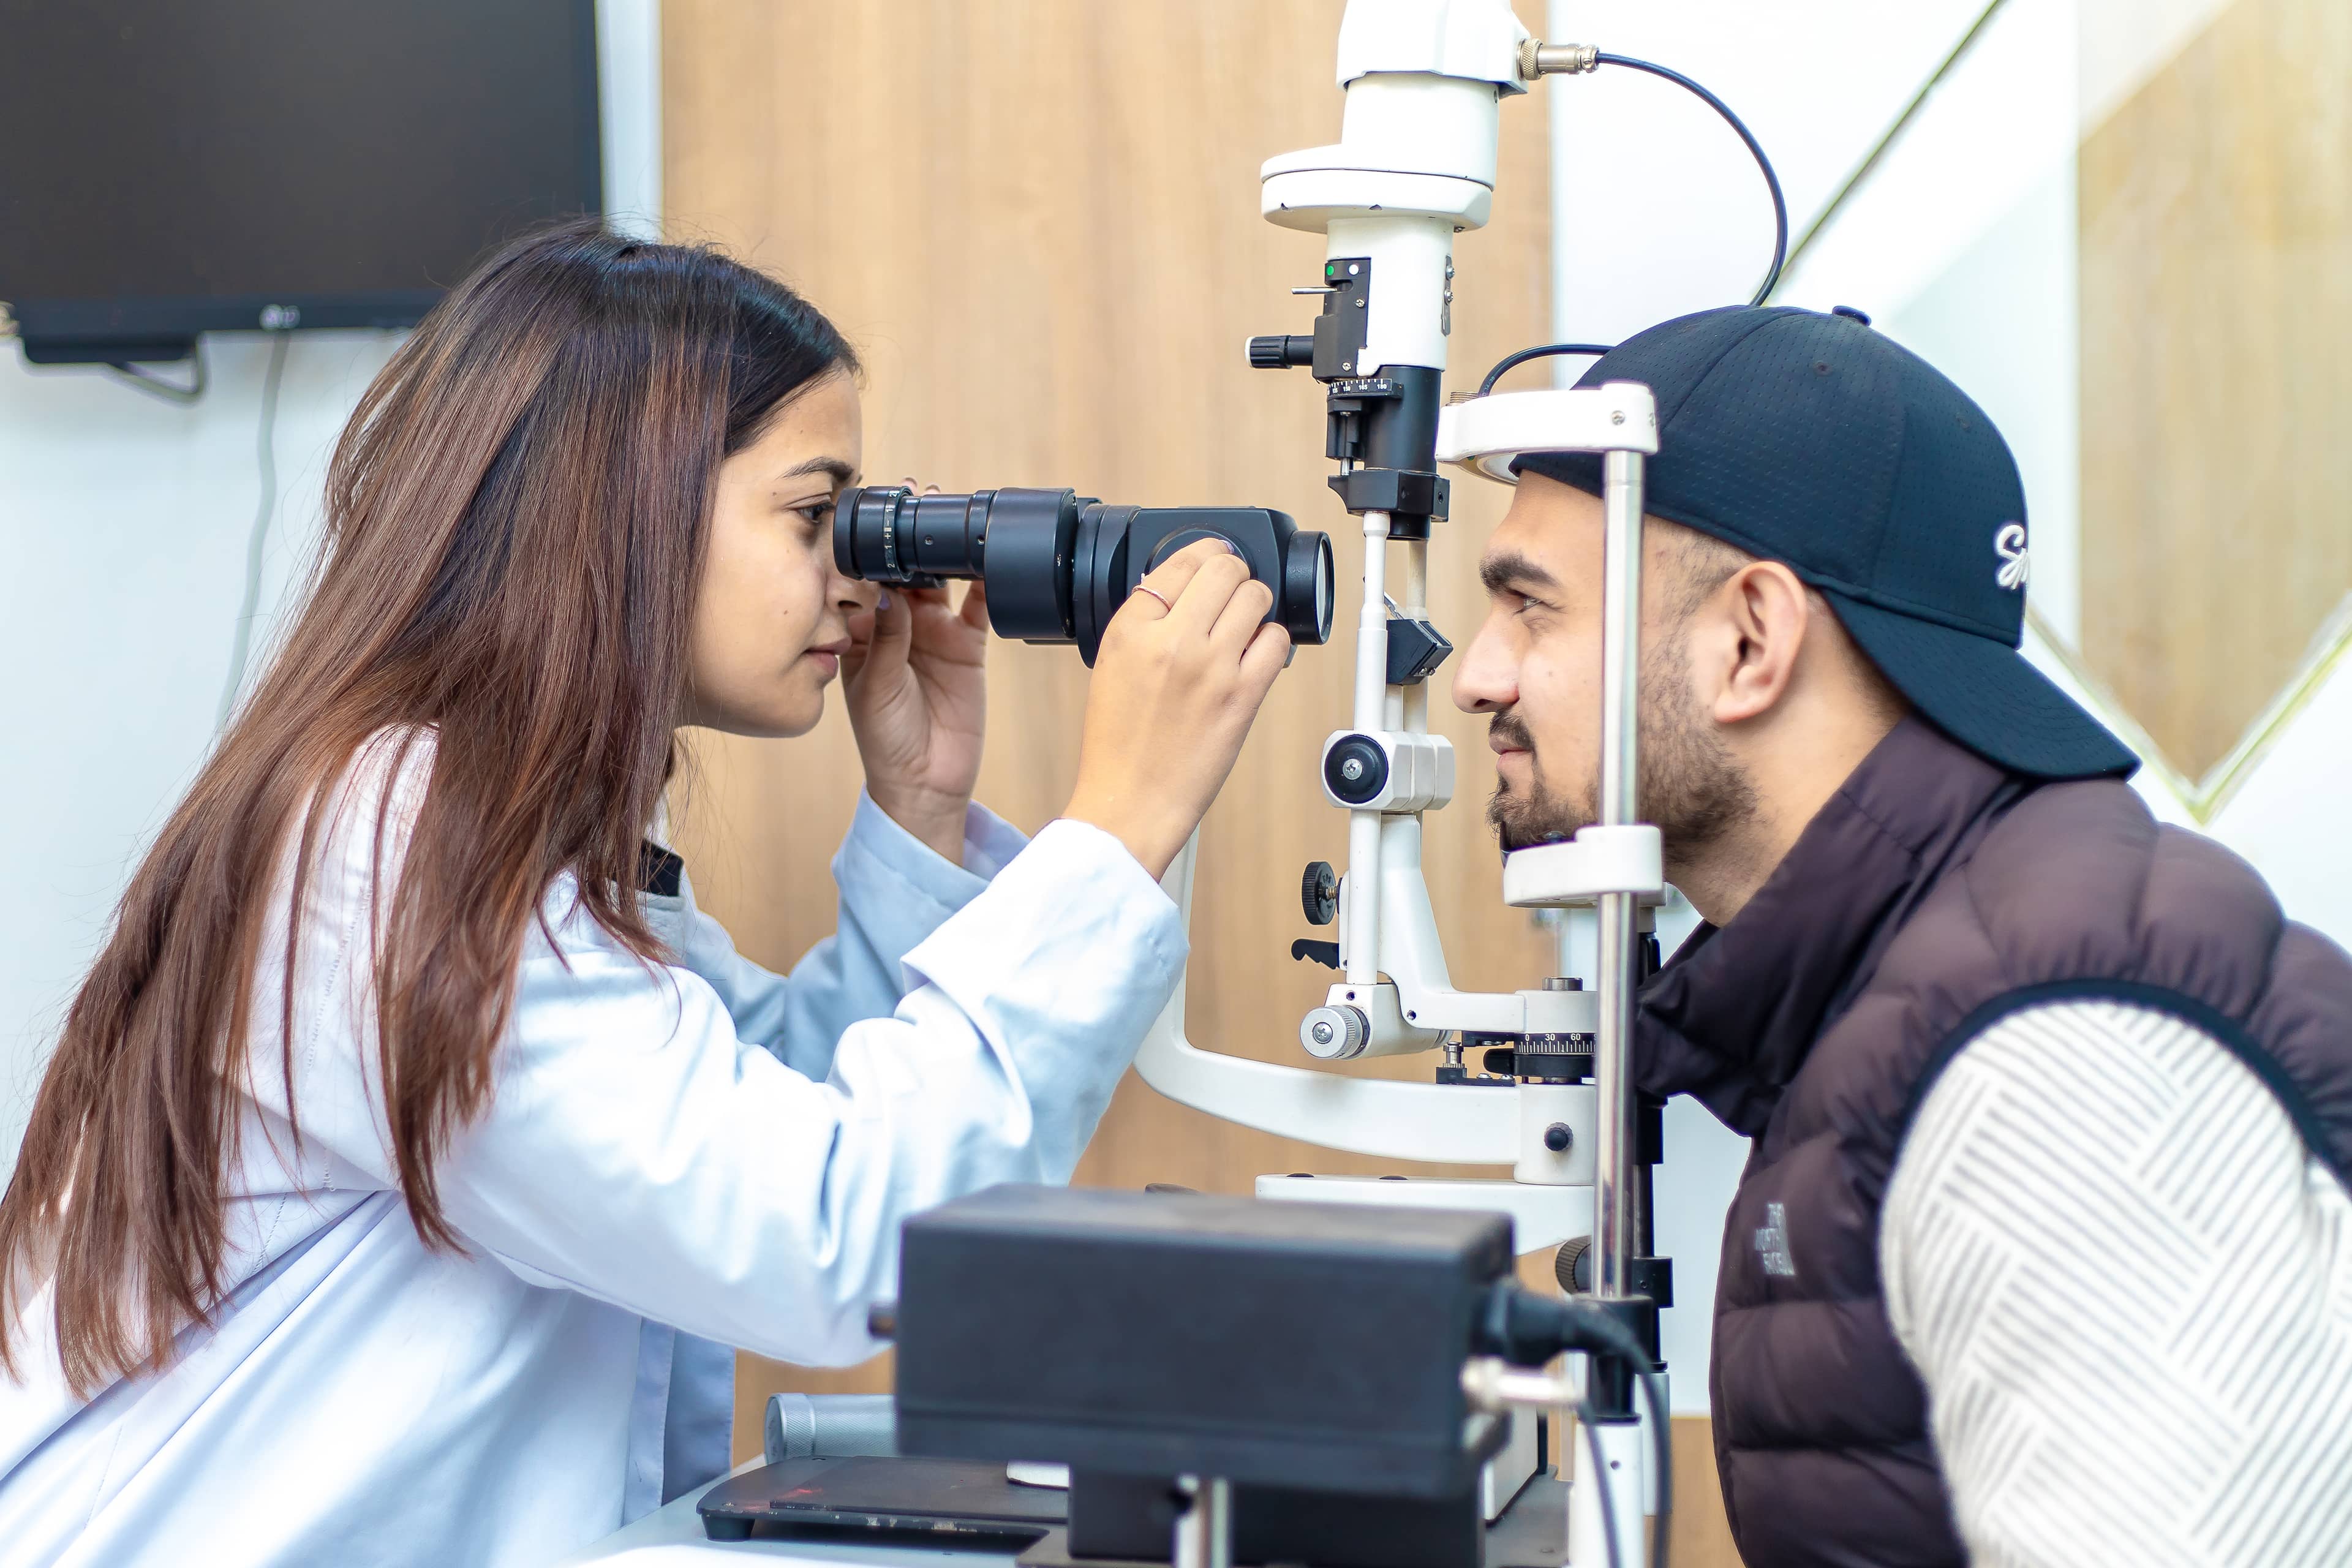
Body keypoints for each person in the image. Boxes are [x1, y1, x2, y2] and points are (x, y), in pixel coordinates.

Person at [0, 222, 1291, 1567]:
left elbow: (773, 1111)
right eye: (813, 516)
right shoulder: (391, 840)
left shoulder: (495, 836)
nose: (857, 575)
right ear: (626, 505)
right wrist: (1123, 819)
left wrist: (918, 807)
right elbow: (828, 1236)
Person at [1453, 305, 2352, 1568]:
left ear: (1751, 640)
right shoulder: (1901, 996)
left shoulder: (2059, 1068)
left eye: (1530, 608)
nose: (1477, 675)